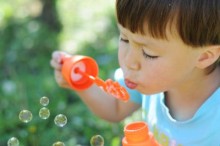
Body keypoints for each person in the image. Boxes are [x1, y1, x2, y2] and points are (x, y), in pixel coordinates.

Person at [50, 0, 220, 145]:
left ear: (205, 56)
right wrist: (81, 81)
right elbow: (115, 107)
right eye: (124, 38)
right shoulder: (147, 81)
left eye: (149, 54)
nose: (129, 62)